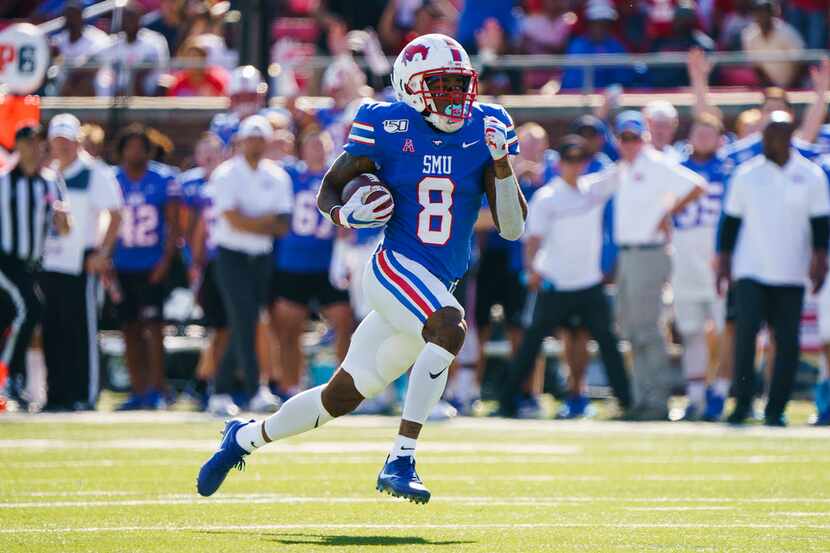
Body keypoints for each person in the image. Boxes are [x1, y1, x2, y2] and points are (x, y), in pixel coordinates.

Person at [197, 34, 526, 504]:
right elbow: (329, 188)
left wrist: (502, 163)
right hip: (395, 269)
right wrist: (346, 216)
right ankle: (401, 458)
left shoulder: (487, 128)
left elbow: (512, 228)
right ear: (411, 88)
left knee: (340, 398)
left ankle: (243, 438)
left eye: (460, 85)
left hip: (435, 286)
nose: (456, 97)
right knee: (451, 327)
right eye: (442, 86)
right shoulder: (386, 123)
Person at [498, 136, 631, 418]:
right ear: (558, 164)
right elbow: (532, 240)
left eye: (579, 160)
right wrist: (531, 270)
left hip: (589, 283)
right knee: (531, 344)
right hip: (555, 284)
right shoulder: (547, 197)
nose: (574, 166)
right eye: (568, 160)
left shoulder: (593, 188)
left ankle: (626, 401)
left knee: (608, 342)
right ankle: (507, 400)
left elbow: (624, 167)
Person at [717, 112, 830, 426]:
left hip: (791, 272)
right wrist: (723, 264)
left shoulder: (811, 176)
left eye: (774, 136)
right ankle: (741, 405)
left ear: (789, 137)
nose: (767, 142)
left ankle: (775, 409)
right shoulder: (746, 174)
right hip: (750, 270)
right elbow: (730, 224)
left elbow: (820, 226)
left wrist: (820, 262)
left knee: (787, 343)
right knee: (745, 338)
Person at [613, 111, 706, 421]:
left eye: (635, 137)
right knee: (634, 330)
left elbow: (696, 185)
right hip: (630, 254)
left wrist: (666, 214)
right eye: (625, 138)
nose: (630, 144)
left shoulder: (655, 162)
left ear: (645, 138)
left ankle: (656, 401)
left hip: (648, 253)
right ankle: (643, 398)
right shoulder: (626, 168)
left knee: (648, 330)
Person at [206, 115, 293, 417]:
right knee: (244, 318)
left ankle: (220, 390)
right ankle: (255, 389)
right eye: (250, 138)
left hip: (261, 258)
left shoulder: (278, 176)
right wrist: (262, 223)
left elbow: (283, 224)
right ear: (241, 141)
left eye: (260, 138)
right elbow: (231, 218)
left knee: (247, 320)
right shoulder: (226, 174)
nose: (255, 144)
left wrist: (250, 222)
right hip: (231, 255)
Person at [40, 114, 123, 411]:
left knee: (81, 331)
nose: (61, 147)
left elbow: (115, 213)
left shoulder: (94, 172)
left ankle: (84, 394)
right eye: (56, 141)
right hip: (49, 263)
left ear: (77, 141)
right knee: (53, 330)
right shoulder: (47, 173)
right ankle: (56, 394)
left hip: (81, 261)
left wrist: (101, 252)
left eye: (66, 141)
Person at [271, 130, 354, 397]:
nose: (317, 150)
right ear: (302, 150)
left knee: (345, 321)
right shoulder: (288, 175)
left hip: (328, 263)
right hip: (292, 262)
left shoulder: (338, 177)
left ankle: (344, 389)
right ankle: (290, 386)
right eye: (312, 145)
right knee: (289, 328)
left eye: (322, 145)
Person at [0, 125, 70, 411]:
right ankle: (8, 378)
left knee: (12, 316)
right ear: (17, 145)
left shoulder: (51, 182)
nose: (32, 148)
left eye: (37, 142)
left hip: (32, 265)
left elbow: (64, 230)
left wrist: (64, 220)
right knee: (30, 308)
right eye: (27, 142)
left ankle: (13, 380)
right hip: (4, 260)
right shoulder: (3, 181)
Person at [111, 124, 180, 410]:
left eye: (141, 146)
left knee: (154, 328)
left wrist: (165, 261)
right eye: (131, 146)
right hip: (122, 264)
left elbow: (174, 225)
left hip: (151, 264)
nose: (135, 152)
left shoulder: (163, 179)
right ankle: (138, 389)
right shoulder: (111, 179)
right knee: (129, 328)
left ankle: (158, 388)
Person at [671, 114, 731, 420]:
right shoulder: (674, 167)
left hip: (719, 259)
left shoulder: (731, 168)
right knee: (691, 330)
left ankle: (720, 392)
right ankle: (694, 397)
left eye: (711, 133)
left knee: (725, 330)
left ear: (721, 138)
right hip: (684, 259)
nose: (704, 138)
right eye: (699, 132)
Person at [94, 2, 170, 97]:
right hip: (119, 89)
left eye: (131, 18)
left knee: (136, 78)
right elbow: (94, 58)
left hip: (149, 85)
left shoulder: (154, 40)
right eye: (125, 18)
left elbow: (149, 67)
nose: (127, 22)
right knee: (101, 79)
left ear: (139, 19)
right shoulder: (116, 42)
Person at [51, 0, 110, 96]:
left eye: (73, 15)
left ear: (81, 16)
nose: (70, 19)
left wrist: (74, 71)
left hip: (90, 77)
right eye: (68, 16)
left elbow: (95, 64)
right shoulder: (59, 40)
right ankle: (55, 109)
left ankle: (100, 110)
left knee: (95, 81)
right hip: (66, 80)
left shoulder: (97, 37)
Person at [741, 0, 805, 88]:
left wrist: (790, 87)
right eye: (759, 12)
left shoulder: (787, 32)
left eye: (765, 12)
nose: (762, 16)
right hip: (770, 89)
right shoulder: (749, 35)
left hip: (794, 86)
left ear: (773, 14)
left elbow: (801, 64)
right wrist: (770, 87)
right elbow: (756, 66)